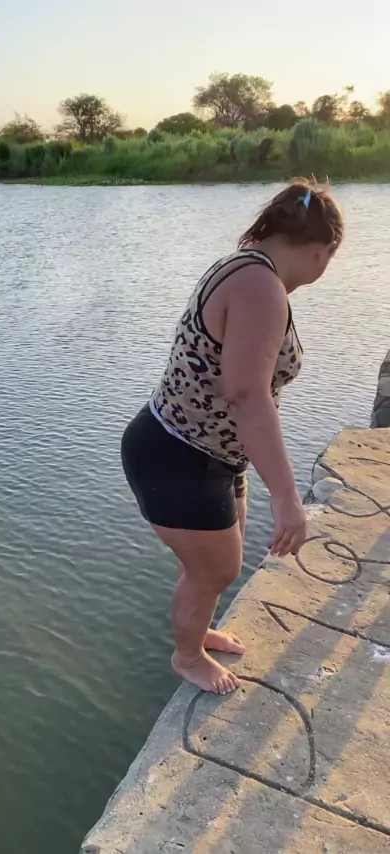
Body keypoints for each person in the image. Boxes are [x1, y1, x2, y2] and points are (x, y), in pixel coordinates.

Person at [121, 181, 344, 695]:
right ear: (322, 250)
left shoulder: (247, 269)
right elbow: (246, 395)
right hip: (178, 454)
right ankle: (187, 657)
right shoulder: (259, 287)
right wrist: (287, 497)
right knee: (215, 570)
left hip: (209, 452)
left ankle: (199, 632)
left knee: (221, 562)